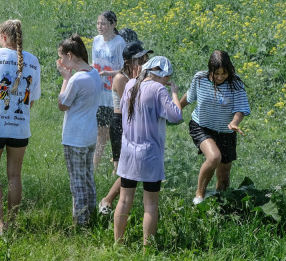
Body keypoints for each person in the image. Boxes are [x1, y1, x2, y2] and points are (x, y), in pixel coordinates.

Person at [0, 20, 41, 235]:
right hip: (20, 129)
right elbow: (31, 100)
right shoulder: (33, 61)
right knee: (15, 175)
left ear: (4, 35)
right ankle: (13, 222)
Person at [114, 56, 182, 247]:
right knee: (150, 205)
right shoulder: (158, 89)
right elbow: (176, 117)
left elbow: (123, 109)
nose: (167, 82)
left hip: (127, 151)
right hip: (149, 154)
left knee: (124, 199)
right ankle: (147, 250)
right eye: (167, 78)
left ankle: (117, 245)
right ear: (161, 74)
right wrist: (174, 94)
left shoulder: (130, 84)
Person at [179, 50, 250, 205]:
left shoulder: (235, 83)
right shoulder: (200, 78)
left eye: (224, 73)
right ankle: (199, 196)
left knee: (224, 174)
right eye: (216, 73)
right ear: (209, 69)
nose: (219, 77)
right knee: (214, 158)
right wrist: (176, 109)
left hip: (226, 131)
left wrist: (234, 123)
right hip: (201, 126)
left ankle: (221, 204)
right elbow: (189, 97)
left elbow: (240, 109)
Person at [98, 41, 152, 215]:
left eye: (145, 58)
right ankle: (107, 200)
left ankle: (110, 200)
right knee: (128, 167)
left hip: (135, 121)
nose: (145, 61)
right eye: (141, 59)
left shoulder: (139, 76)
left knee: (132, 167)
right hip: (121, 122)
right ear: (130, 61)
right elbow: (130, 103)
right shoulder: (121, 78)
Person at [57, 34, 102, 226]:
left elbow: (62, 104)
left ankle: (81, 224)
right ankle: (91, 216)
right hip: (90, 135)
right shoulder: (94, 73)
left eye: (61, 57)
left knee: (77, 183)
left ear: (70, 55)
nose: (60, 61)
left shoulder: (76, 79)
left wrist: (65, 79)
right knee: (87, 178)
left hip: (75, 138)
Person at [91, 11, 126, 171]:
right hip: (99, 94)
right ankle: (95, 166)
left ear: (113, 25)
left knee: (115, 132)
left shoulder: (119, 43)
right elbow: (94, 62)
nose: (100, 27)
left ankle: (116, 169)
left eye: (104, 23)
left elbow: (125, 69)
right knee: (100, 132)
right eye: (98, 23)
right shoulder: (96, 41)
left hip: (114, 94)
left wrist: (109, 74)